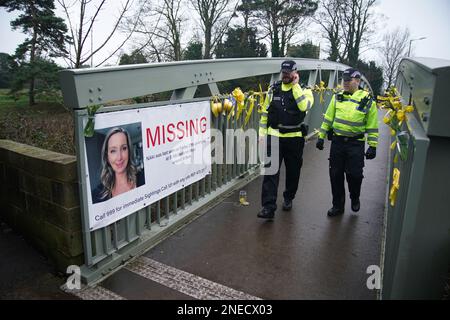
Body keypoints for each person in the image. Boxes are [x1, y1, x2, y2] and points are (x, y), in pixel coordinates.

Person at [316, 68, 379, 217]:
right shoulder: (337, 97)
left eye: (348, 80)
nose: (345, 83)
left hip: (355, 144)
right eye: (343, 80)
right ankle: (337, 205)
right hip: (337, 142)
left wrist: (373, 146)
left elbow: (372, 125)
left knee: (355, 175)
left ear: (357, 81)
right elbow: (328, 118)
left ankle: (354, 196)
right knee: (335, 175)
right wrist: (321, 136)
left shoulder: (368, 100)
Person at [257, 60, 314, 219]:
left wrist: (295, 86)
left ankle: (288, 197)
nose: (285, 76)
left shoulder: (305, 90)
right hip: (274, 136)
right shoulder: (273, 89)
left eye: (289, 73)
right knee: (270, 172)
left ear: (295, 73)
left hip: (294, 138)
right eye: (284, 73)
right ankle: (268, 207)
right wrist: (262, 134)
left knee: (293, 171)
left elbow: (304, 106)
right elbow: (265, 113)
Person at [92, 127, 144, 203]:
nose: (119, 157)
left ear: (129, 151)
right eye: (113, 151)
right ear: (107, 156)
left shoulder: (143, 178)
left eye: (124, 148)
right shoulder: (96, 195)